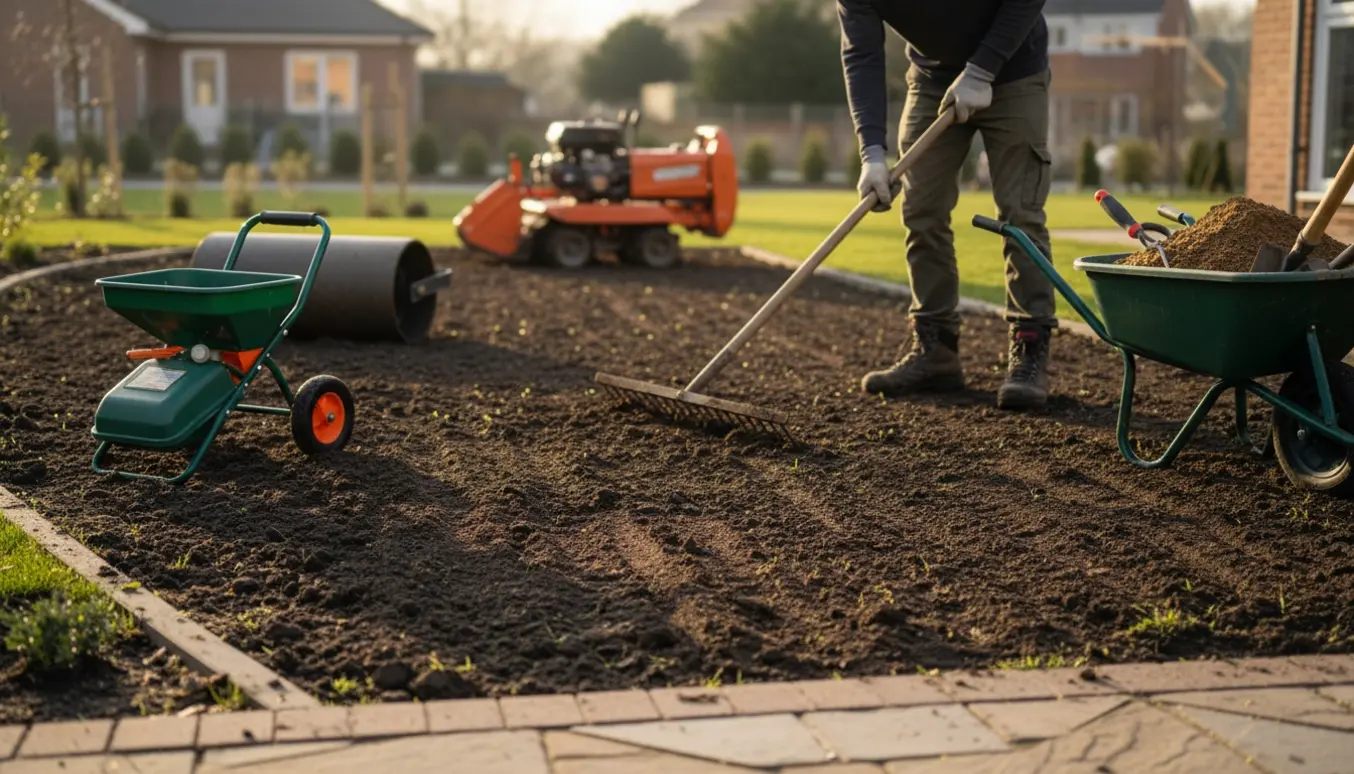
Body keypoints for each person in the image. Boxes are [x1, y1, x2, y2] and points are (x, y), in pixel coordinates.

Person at [838, 0, 1056, 409]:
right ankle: (936, 348)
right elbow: (861, 54)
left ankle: (1029, 348)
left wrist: (981, 70)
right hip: (932, 78)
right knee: (921, 210)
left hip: (1014, 70)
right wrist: (871, 153)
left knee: (1020, 214)